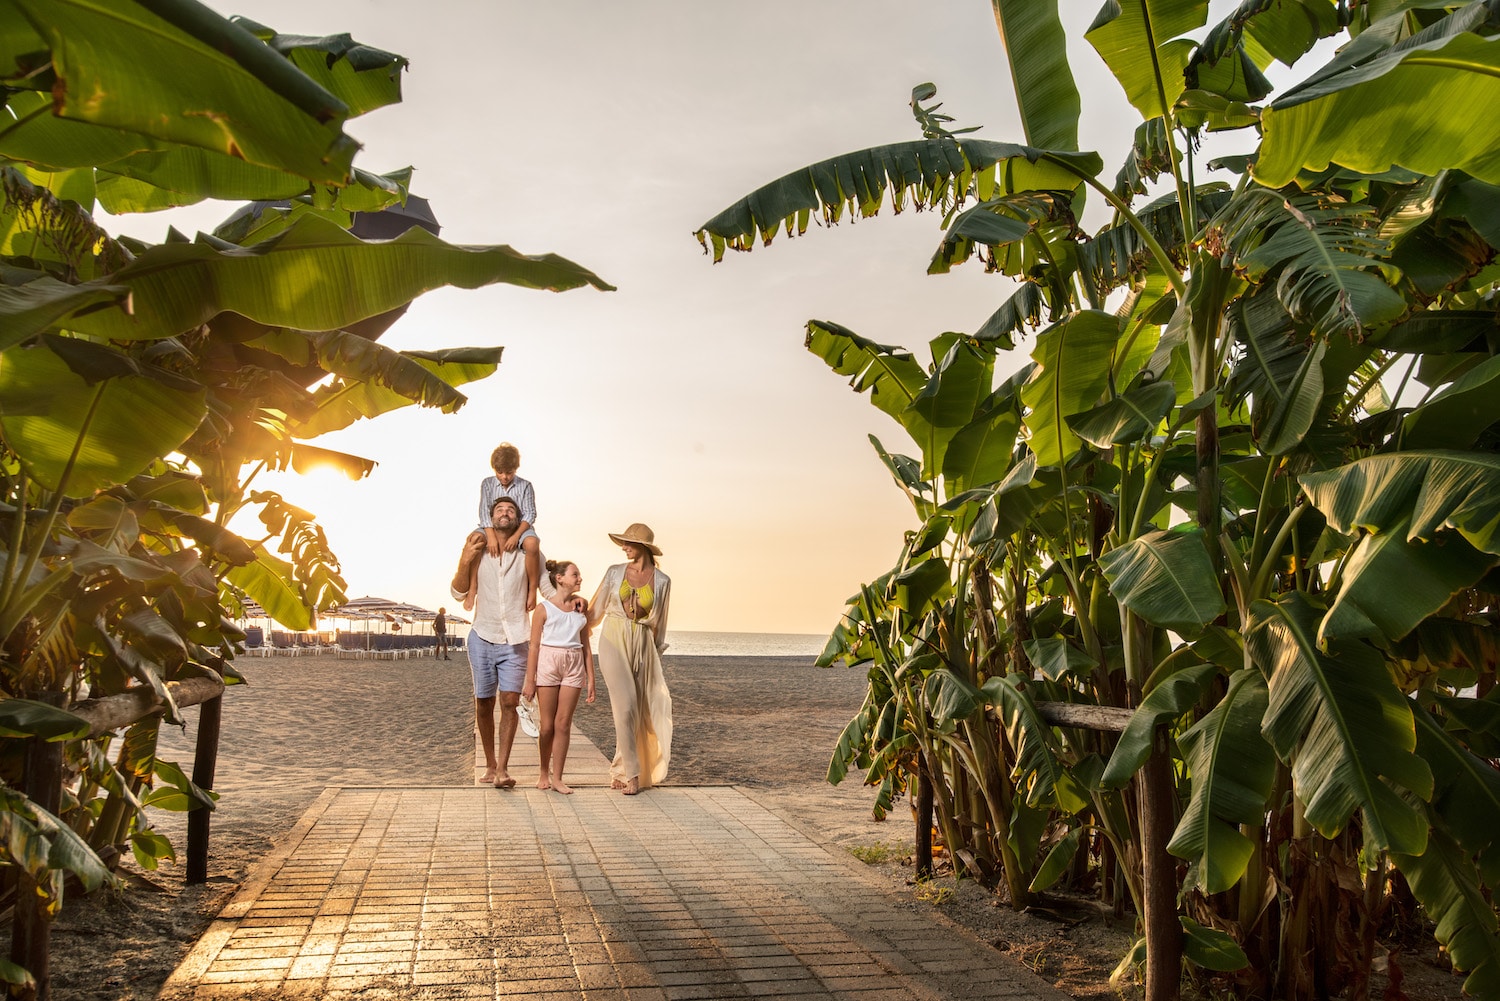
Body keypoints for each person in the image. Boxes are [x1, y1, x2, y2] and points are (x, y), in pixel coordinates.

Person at [451, 495, 533, 789]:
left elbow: (547, 585)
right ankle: (489, 764)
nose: (505, 513)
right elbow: (458, 594)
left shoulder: (527, 553)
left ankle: (503, 769)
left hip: (516, 639)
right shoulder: (478, 549)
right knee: (483, 703)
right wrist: (464, 559)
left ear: (518, 520)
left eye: (511, 510)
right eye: (499, 509)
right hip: (482, 636)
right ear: (491, 518)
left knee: (509, 702)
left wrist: (573, 599)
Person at [588, 523, 672, 796]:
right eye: (623, 543)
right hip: (613, 636)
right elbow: (595, 609)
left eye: (628, 543)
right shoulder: (615, 573)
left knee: (638, 710)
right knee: (624, 706)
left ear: (643, 548)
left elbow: (661, 623)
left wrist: (655, 653)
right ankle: (633, 776)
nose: (623, 548)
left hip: (644, 643)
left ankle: (619, 769)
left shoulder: (662, 581)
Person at [521, 560, 596, 794]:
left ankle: (558, 778)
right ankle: (543, 772)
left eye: (580, 574)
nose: (580, 578)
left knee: (563, 724)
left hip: (574, 664)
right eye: (575, 574)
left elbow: (586, 647)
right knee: (547, 726)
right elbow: (533, 646)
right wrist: (530, 680)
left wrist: (591, 678)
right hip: (548, 662)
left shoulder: (580, 609)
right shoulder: (543, 610)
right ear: (559, 578)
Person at [466, 442, 541, 613]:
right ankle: (472, 588)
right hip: (492, 527)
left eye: (509, 472)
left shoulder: (525, 486)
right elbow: (484, 513)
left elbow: (530, 514)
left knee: (532, 544)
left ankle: (532, 590)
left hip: (519, 527)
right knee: (475, 540)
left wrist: (516, 536)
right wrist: (491, 537)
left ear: (515, 469)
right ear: (494, 469)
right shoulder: (487, 484)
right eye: (500, 472)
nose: (505, 477)